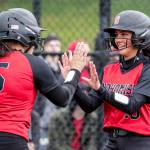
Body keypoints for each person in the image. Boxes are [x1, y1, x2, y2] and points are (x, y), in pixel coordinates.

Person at [60, 10, 150, 150]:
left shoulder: (147, 69)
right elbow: (89, 105)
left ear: (141, 37)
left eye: (124, 34)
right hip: (112, 141)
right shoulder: (109, 69)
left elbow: (132, 104)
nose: (118, 39)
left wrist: (101, 89)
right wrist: (73, 82)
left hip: (140, 142)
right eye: (117, 35)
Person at [0, 8, 87, 150]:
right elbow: (63, 98)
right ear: (22, 35)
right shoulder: (32, 62)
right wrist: (75, 71)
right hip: (11, 139)